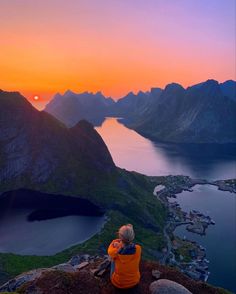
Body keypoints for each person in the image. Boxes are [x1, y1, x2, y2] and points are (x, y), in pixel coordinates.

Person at [108, 224, 142, 289]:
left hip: (117, 283)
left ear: (120, 237)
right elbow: (128, 246)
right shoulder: (138, 249)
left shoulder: (115, 252)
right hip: (134, 282)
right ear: (133, 236)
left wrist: (117, 242)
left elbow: (110, 249)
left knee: (112, 259)